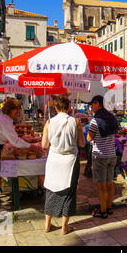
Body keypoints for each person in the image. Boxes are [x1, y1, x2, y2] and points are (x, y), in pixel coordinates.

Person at [0, 99, 39, 215]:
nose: (18, 113)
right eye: (17, 110)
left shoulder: (6, 119)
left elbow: (12, 138)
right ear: (11, 110)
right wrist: (31, 146)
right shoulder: (4, 121)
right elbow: (14, 141)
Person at [42, 95, 85, 235]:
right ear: (69, 108)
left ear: (55, 108)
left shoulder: (49, 122)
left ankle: (47, 225)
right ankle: (64, 227)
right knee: (69, 193)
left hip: (54, 160)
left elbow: (44, 145)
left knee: (51, 191)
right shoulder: (76, 122)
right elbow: (82, 144)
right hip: (70, 162)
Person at [86, 95, 119, 219]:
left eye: (92, 104)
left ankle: (103, 210)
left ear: (97, 104)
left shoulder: (95, 121)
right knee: (109, 183)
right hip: (111, 154)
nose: (91, 107)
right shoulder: (111, 117)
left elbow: (89, 138)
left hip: (100, 156)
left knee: (101, 185)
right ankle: (109, 207)